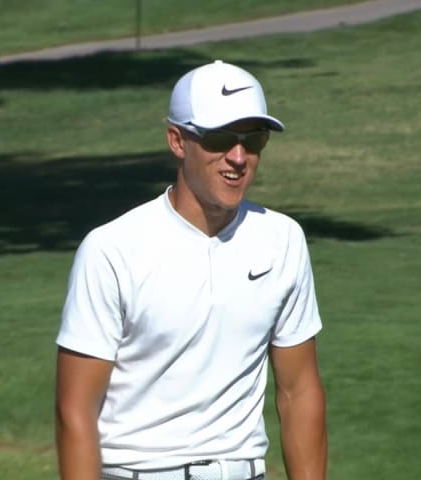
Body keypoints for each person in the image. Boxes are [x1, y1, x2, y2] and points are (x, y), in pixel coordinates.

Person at [54, 60, 327, 480]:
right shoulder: (112, 250)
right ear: (177, 141)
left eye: (254, 140)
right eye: (220, 139)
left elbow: (298, 391)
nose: (239, 157)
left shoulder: (282, 240)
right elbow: (75, 409)